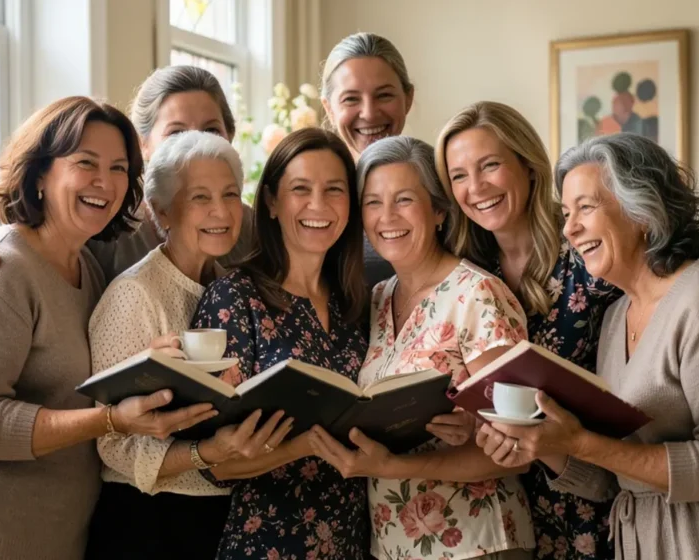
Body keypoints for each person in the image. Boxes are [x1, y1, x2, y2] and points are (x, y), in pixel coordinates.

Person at [434, 101, 699, 559]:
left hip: (665, 522)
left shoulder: (600, 261)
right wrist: (515, 436)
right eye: (457, 175)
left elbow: (683, 290)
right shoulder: (468, 271)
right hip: (549, 502)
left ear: (528, 166)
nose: (475, 187)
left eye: (490, 164)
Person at [0, 97, 217, 560]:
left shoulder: (88, 268)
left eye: (118, 168)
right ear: (39, 174)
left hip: (53, 536)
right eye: (85, 163)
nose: (105, 182)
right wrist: (111, 420)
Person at [0, 65, 254, 457]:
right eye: (177, 133)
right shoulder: (99, 234)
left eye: (211, 131)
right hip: (122, 466)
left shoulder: (243, 228)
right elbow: (1, 287)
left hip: (131, 476)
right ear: (143, 148)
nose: (195, 144)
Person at [307, 136, 535, 559]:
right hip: (393, 544)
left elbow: (519, 451)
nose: (386, 217)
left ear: (439, 212)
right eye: (373, 203)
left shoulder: (477, 294)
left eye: (404, 199)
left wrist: (392, 467)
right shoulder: (376, 299)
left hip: (477, 541)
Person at [84, 131, 294, 559]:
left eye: (230, 194)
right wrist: (205, 452)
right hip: (148, 523)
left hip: (214, 517)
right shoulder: (135, 294)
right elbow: (111, 444)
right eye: (200, 197)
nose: (220, 211)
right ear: (162, 210)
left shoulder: (226, 286)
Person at [191, 128, 370, 559]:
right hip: (267, 544)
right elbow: (218, 463)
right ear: (270, 201)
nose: (318, 205)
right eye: (300, 189)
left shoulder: (356, 302)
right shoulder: (235, 299)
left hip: (354, 540)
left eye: (334, 190)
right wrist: (306, 445)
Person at [320, 31, 416, 287]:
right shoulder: (314, 196)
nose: (369, 113)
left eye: (384, 95)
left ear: (408, 98)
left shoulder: (439, 183)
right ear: (329, 109)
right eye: (351, 99)